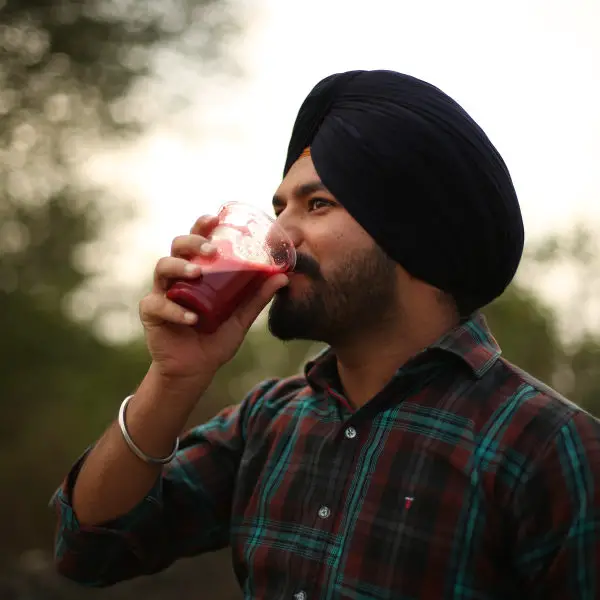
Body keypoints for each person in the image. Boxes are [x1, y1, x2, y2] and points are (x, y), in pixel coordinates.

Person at [51, 70, 600, 599]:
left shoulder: (554, 448)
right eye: (278, 209)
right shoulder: (268, 419)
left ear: (412, 231)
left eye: (317, 205)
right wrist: (173, 377)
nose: (278, 235)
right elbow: (90, 550)